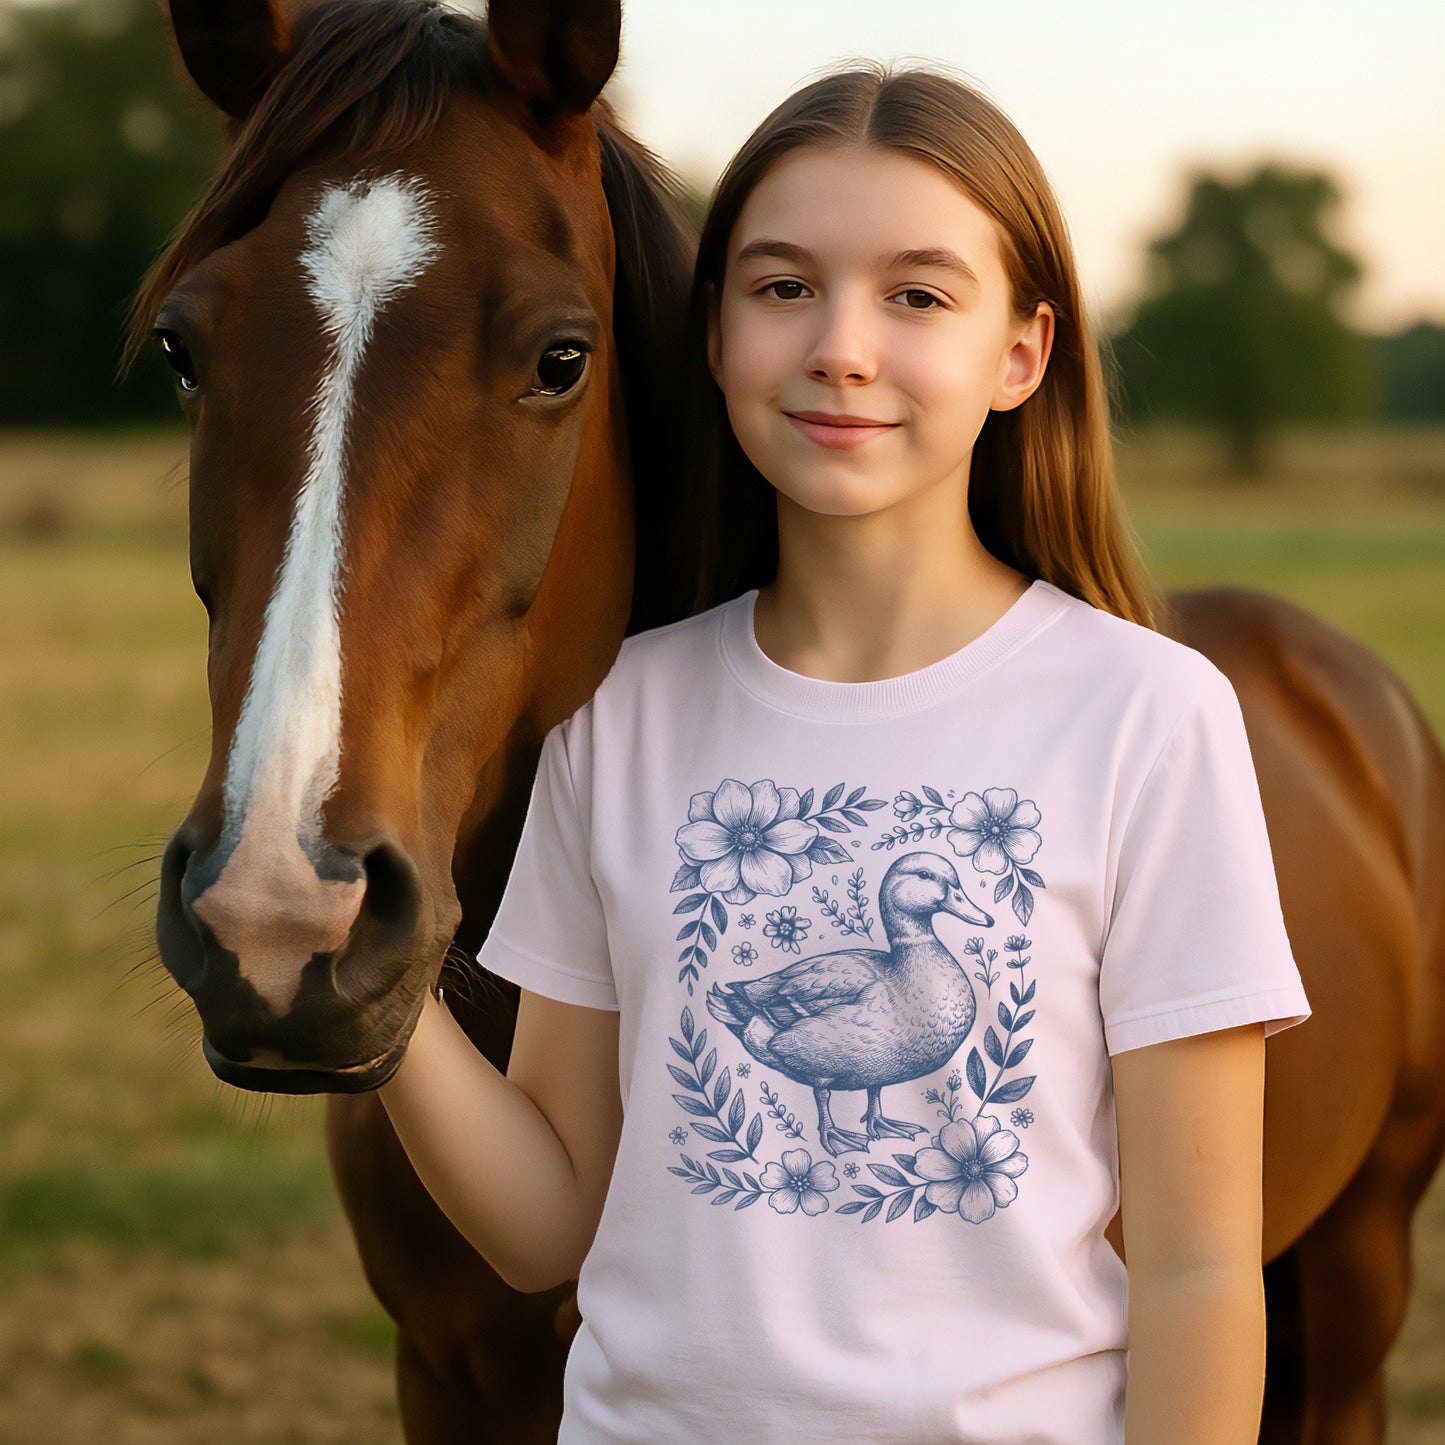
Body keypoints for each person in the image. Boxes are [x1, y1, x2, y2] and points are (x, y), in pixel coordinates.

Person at [379, 64, 1311, 1443]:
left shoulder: (1145, 717)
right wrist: (376, 990)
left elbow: (1194, 1269)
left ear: (1022, 352)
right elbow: (545, 1223)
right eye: (781, 286)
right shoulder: (615, 715)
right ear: (712, 333)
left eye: (917, 295)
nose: (842, 347)